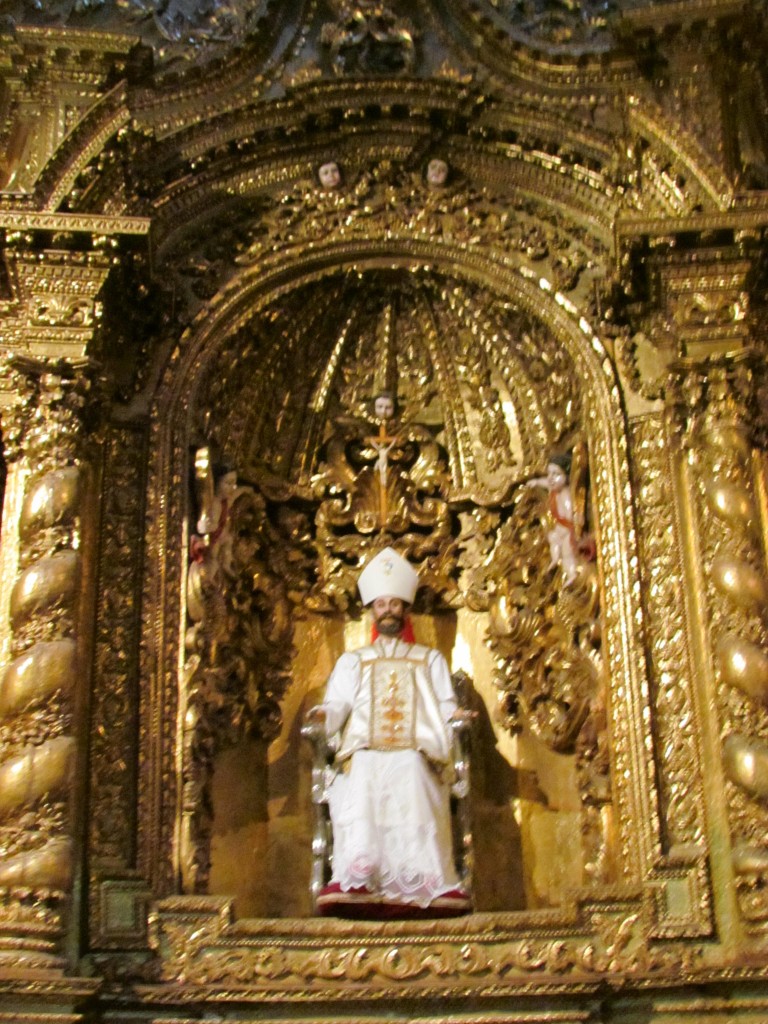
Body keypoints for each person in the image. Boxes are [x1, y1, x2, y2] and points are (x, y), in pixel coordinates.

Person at [308, 547, 470, 918]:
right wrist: (323, 715)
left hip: (417, 750)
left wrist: (456, 714)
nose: (388, 611)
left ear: (405, 610)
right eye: (381, 604)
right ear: (372, 611)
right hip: (364, 749)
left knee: (411, 769)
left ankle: (425, 880)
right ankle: (360, 877)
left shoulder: (429, 659)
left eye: (394, 604)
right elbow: (337, 706)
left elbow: (445, 705)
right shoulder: (353, 661)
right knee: (363, 770)